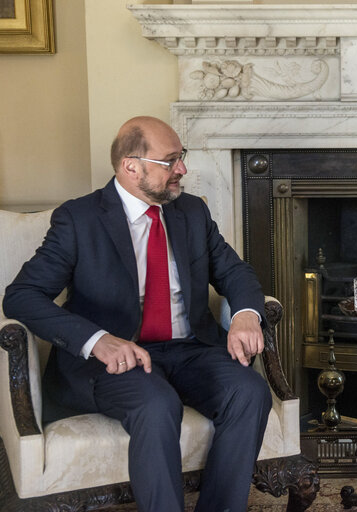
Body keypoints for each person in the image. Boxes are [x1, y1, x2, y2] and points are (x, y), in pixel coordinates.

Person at [3, 116, 272, 512]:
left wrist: (247, 313)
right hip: (115, 360)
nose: (182, 169)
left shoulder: (192, 212)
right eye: (171, 160)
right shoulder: (79, 220)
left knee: (250, 391)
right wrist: (98, 341)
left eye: (182, 157)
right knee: (155, 403)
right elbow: (22, 296)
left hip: (190, 349)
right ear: (132, 166)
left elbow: (234, 271)